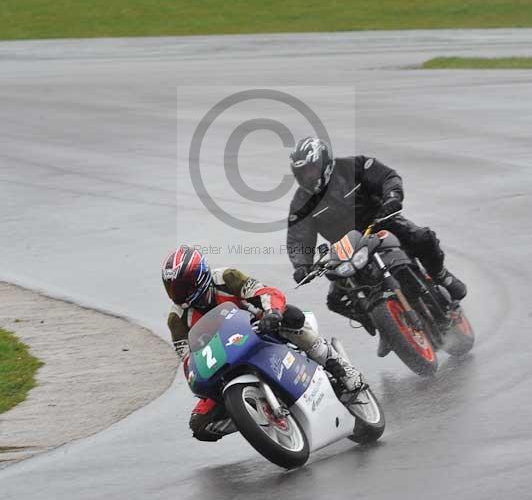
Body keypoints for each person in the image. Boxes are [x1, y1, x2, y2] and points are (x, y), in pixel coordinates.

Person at [162, 245, 364, 442]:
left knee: (292, 316)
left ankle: (341, 369)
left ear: (200, 276)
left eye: (183, 286)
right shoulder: (176, 319)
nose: (179, 294)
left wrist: (272, 312)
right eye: (172, 289)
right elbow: (188, 359)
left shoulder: (226, 278)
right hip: (222, 362)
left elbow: (265, 292)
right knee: (200, 426)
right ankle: (254, 418)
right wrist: (199, 380)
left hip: (258, 329)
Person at [286, 138, 467, 353]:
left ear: (325, 163)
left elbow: (387, 177)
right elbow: (298, 237)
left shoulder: (353, 167)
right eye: (303, 172)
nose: (308, 176)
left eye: (311, 169)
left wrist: (392, 197)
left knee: (421, 237)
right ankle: (385, 327)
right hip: (347, 249)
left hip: (382, 223)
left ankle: (440, 275)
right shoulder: (301, 202)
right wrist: (301, 265)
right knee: (336, 300)